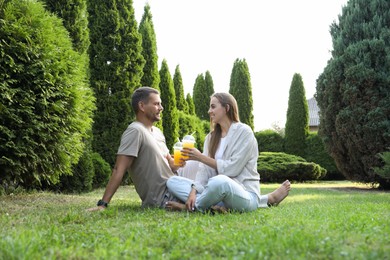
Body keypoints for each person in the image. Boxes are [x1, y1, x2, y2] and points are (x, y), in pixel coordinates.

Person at [165, 92, 291, 213]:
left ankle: (192, 208)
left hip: (244, 193)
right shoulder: (211, 137)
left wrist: (200, 157)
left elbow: (232, 169)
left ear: (226, 108)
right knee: (173, 181)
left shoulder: (244, 132)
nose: (209, 111)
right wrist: (193, 190)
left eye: (213, 107)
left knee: (219, 181)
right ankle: (214, 207)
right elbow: (204, 171)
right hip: (216, 192)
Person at [87, 86, 184, 211]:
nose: (161, 108)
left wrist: (176, 162)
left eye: (160, 104)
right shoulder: (135, 131)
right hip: (164, 197)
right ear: (142, 106)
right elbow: (119, 169)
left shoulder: (158, 132)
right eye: (156, 104)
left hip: (176, 186)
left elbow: (168, 165)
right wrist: (103, 204)